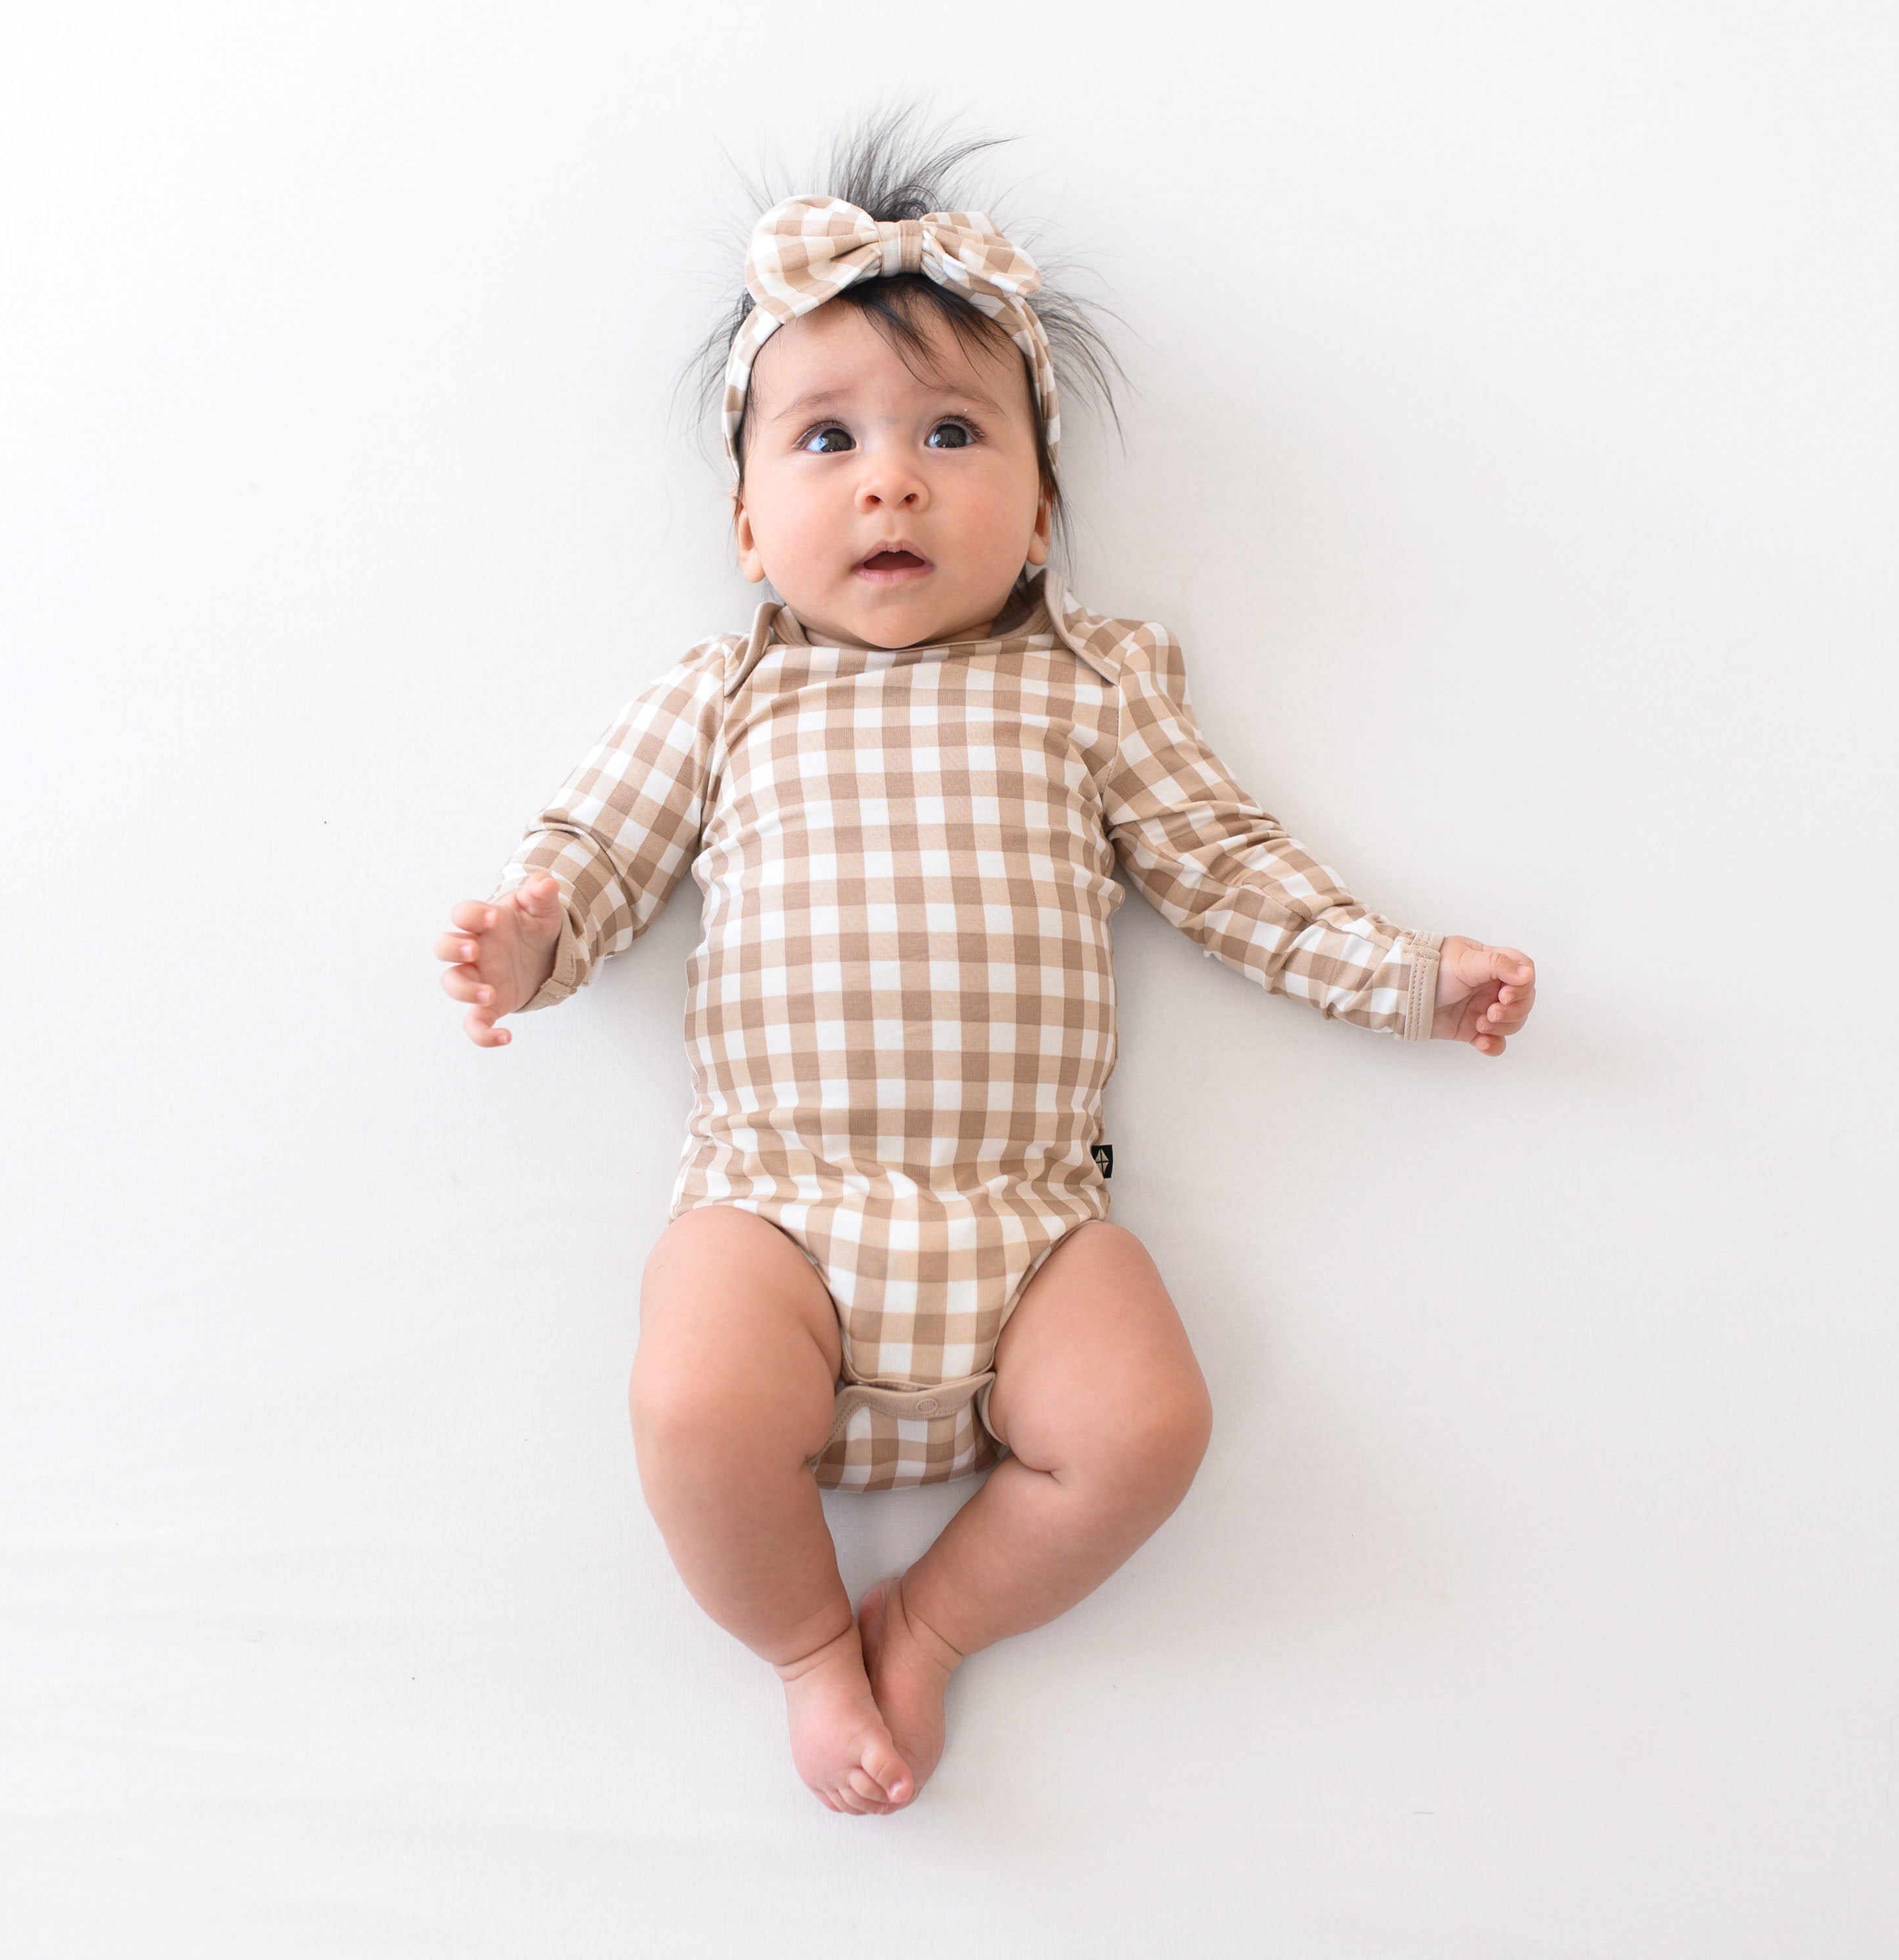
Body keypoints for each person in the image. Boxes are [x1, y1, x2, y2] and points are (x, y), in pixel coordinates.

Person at [430, 106, 1537, 1817]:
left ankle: (933, 1626)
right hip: (777, 1207)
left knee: (1151, 1427)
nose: (890, 477)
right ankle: (811, 1653)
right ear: (746, 525)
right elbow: (598, 856)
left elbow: (1230, 871)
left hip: (1028, 1225)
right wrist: (527, 938)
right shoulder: (726, 698)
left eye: (953, 432)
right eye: (826, 440)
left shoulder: (1092, 690)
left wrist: (1406, 973)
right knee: (694, 1409)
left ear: (1037, 519)